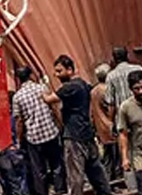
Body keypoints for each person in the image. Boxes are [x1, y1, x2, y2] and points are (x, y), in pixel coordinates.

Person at [41, 55, 111, 195]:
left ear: (70, 69)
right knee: (96, 173)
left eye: (59, 71)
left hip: (74, 136)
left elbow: (49, 99)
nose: (57, 74)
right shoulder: (83, 84)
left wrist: (44, 87)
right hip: (87, 133)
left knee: (75, 177)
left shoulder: (69, 87)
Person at [12, 65, 64, 195]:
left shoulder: (17, 97)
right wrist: (60, 125)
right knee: (56, 165)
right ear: (30, 75)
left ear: (18, 79)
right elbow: (54, 109)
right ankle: (60, 191)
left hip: (34, 138)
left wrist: (18, 140)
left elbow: (19, 121)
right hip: (50, 133)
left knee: (39, 170)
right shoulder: (42, 88)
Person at [103, 47, 142, 191]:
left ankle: (133, 187)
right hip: (141, 115)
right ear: (127, 56)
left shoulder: (111, 76)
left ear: (114, 59)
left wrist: (110, 121)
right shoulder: (139, 69)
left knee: (126, 152)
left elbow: (110, 103)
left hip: (123, 119)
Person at [89, 63, 121, 182]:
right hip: (110, 126)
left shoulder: (93, 91)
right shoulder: (107, 90)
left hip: (100, 128)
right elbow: (110, 108)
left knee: (107, 158)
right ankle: (118, 179)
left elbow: (92, 112)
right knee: (116, 156)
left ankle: (108, 180)